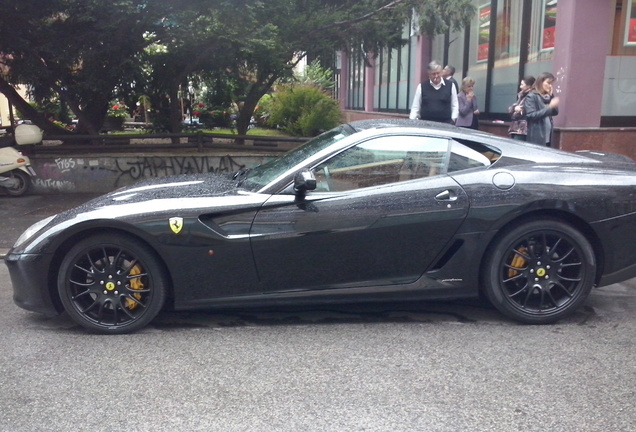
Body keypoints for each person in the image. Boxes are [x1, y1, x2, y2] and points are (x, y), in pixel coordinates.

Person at [524, 72, 559, 146]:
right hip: (537, 137)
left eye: (551, 84)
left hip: (548, 136)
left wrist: (551, 96)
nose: (550, 86)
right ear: (541, 82)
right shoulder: (532, 96)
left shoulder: (547, 97)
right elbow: (531, 115)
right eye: (548, 83)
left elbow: (555, 112)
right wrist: (549, 107)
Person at [507, 75, 535, 140]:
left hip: (523, 130)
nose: (520, 87)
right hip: (515, 128)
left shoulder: (531, 96)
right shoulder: (521, 95)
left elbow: (521, 112)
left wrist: (515, 109)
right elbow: (511, 109)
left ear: (529, 86)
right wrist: (514, 108)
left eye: (522, 85)